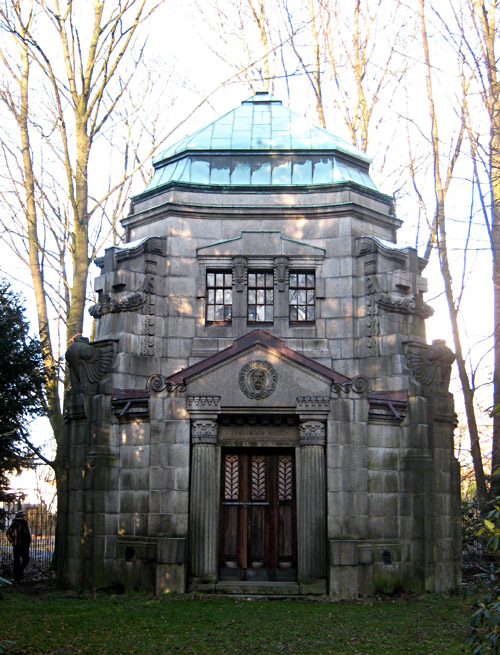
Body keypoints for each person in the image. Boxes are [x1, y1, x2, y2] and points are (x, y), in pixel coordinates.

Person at [6, 510, 32, 582]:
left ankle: (16, 577)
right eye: (23, 516)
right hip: (24, 546)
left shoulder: (13, 524)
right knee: (25, 560)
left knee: (16, 561)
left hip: (16, 545)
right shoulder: (24, 523)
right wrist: (28, 542)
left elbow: (8, 534)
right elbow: (27, 534)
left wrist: (12, 540)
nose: (24, 517)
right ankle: (19, 573)